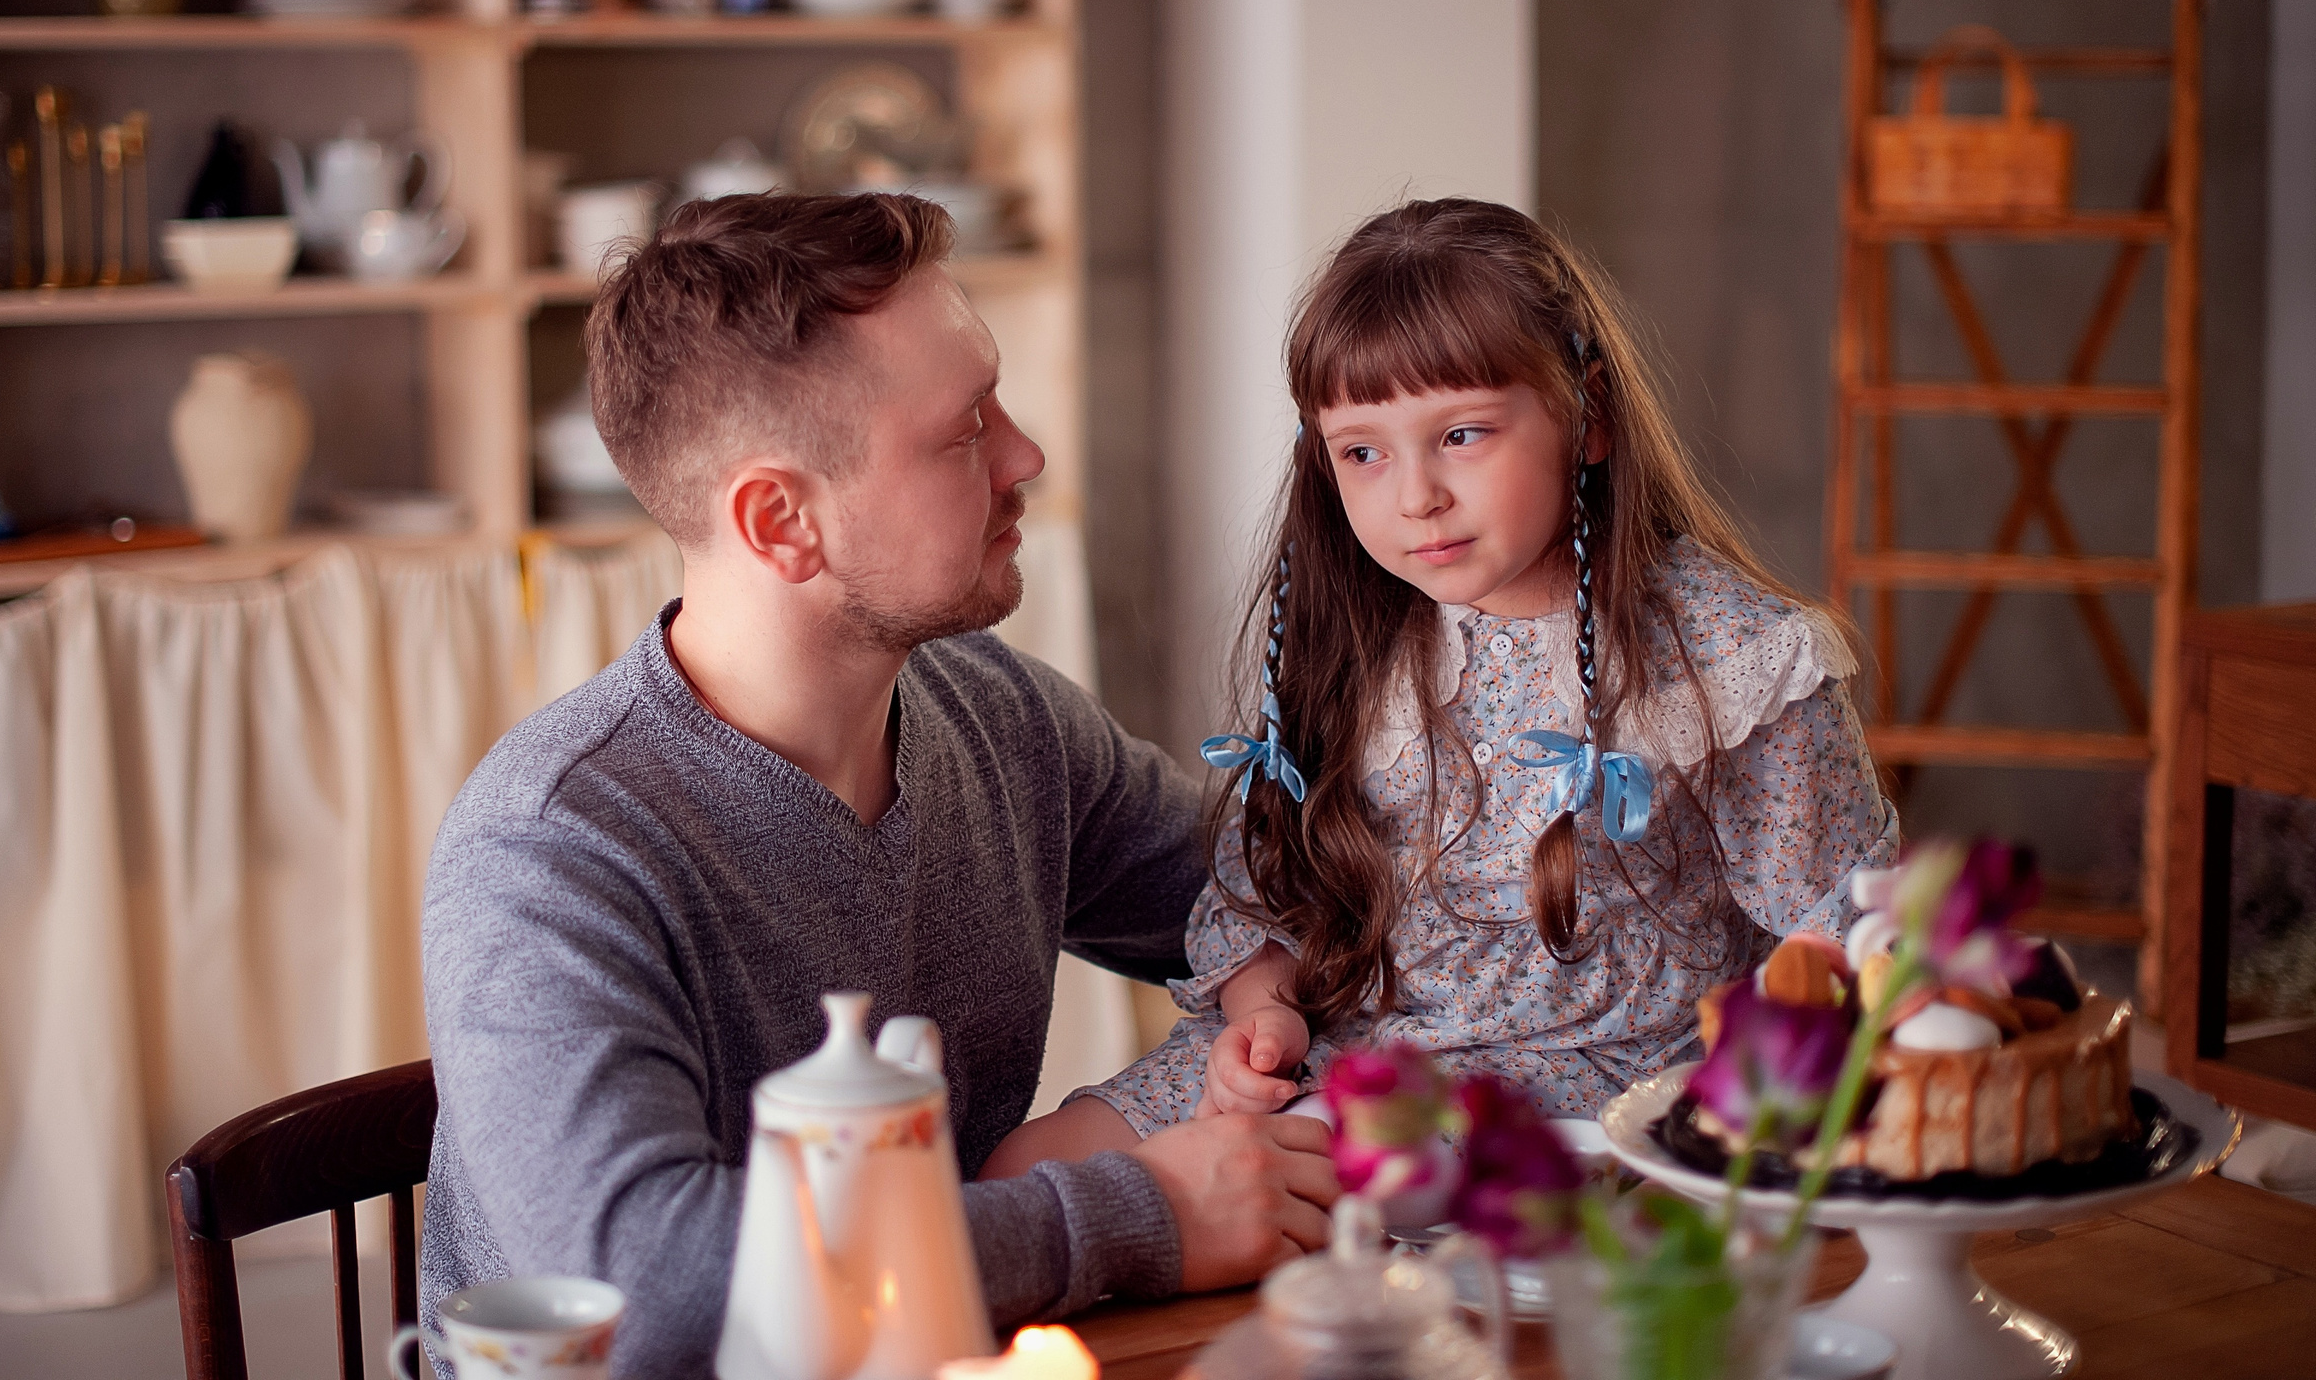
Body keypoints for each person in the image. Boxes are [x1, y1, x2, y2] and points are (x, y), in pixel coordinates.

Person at [418, 192, 1338, 1379]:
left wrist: (1265, 981)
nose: (1024, 456)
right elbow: (645, 1288)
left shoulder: (999, 718)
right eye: (963, 431)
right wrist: (1136, 1211)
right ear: (781, 521)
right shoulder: (549, 849)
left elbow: (1292, 890)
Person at [984, 197, 1899, 1177]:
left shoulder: (1731, 660)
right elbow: (1269, 899)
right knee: (1030, 1172)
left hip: (1578, 1092)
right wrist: (1261, 1021)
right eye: (1363, 452)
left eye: (1462, 434)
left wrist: (1761, 1079)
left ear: (1588, 417)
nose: (1415, 496)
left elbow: (1841, 932)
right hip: (1343, 1052)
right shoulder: (1359, 632)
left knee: (1337, 1211)